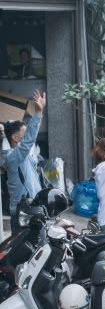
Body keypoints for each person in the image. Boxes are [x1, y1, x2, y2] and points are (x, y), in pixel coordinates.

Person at [5, 90, 46, 230]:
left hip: (32, 210)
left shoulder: (24, 156)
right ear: (15, 138)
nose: (28, 133)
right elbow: (29, 140)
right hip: (23, 213)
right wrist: (38, 113)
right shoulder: (13, 156)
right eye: (24, 131)